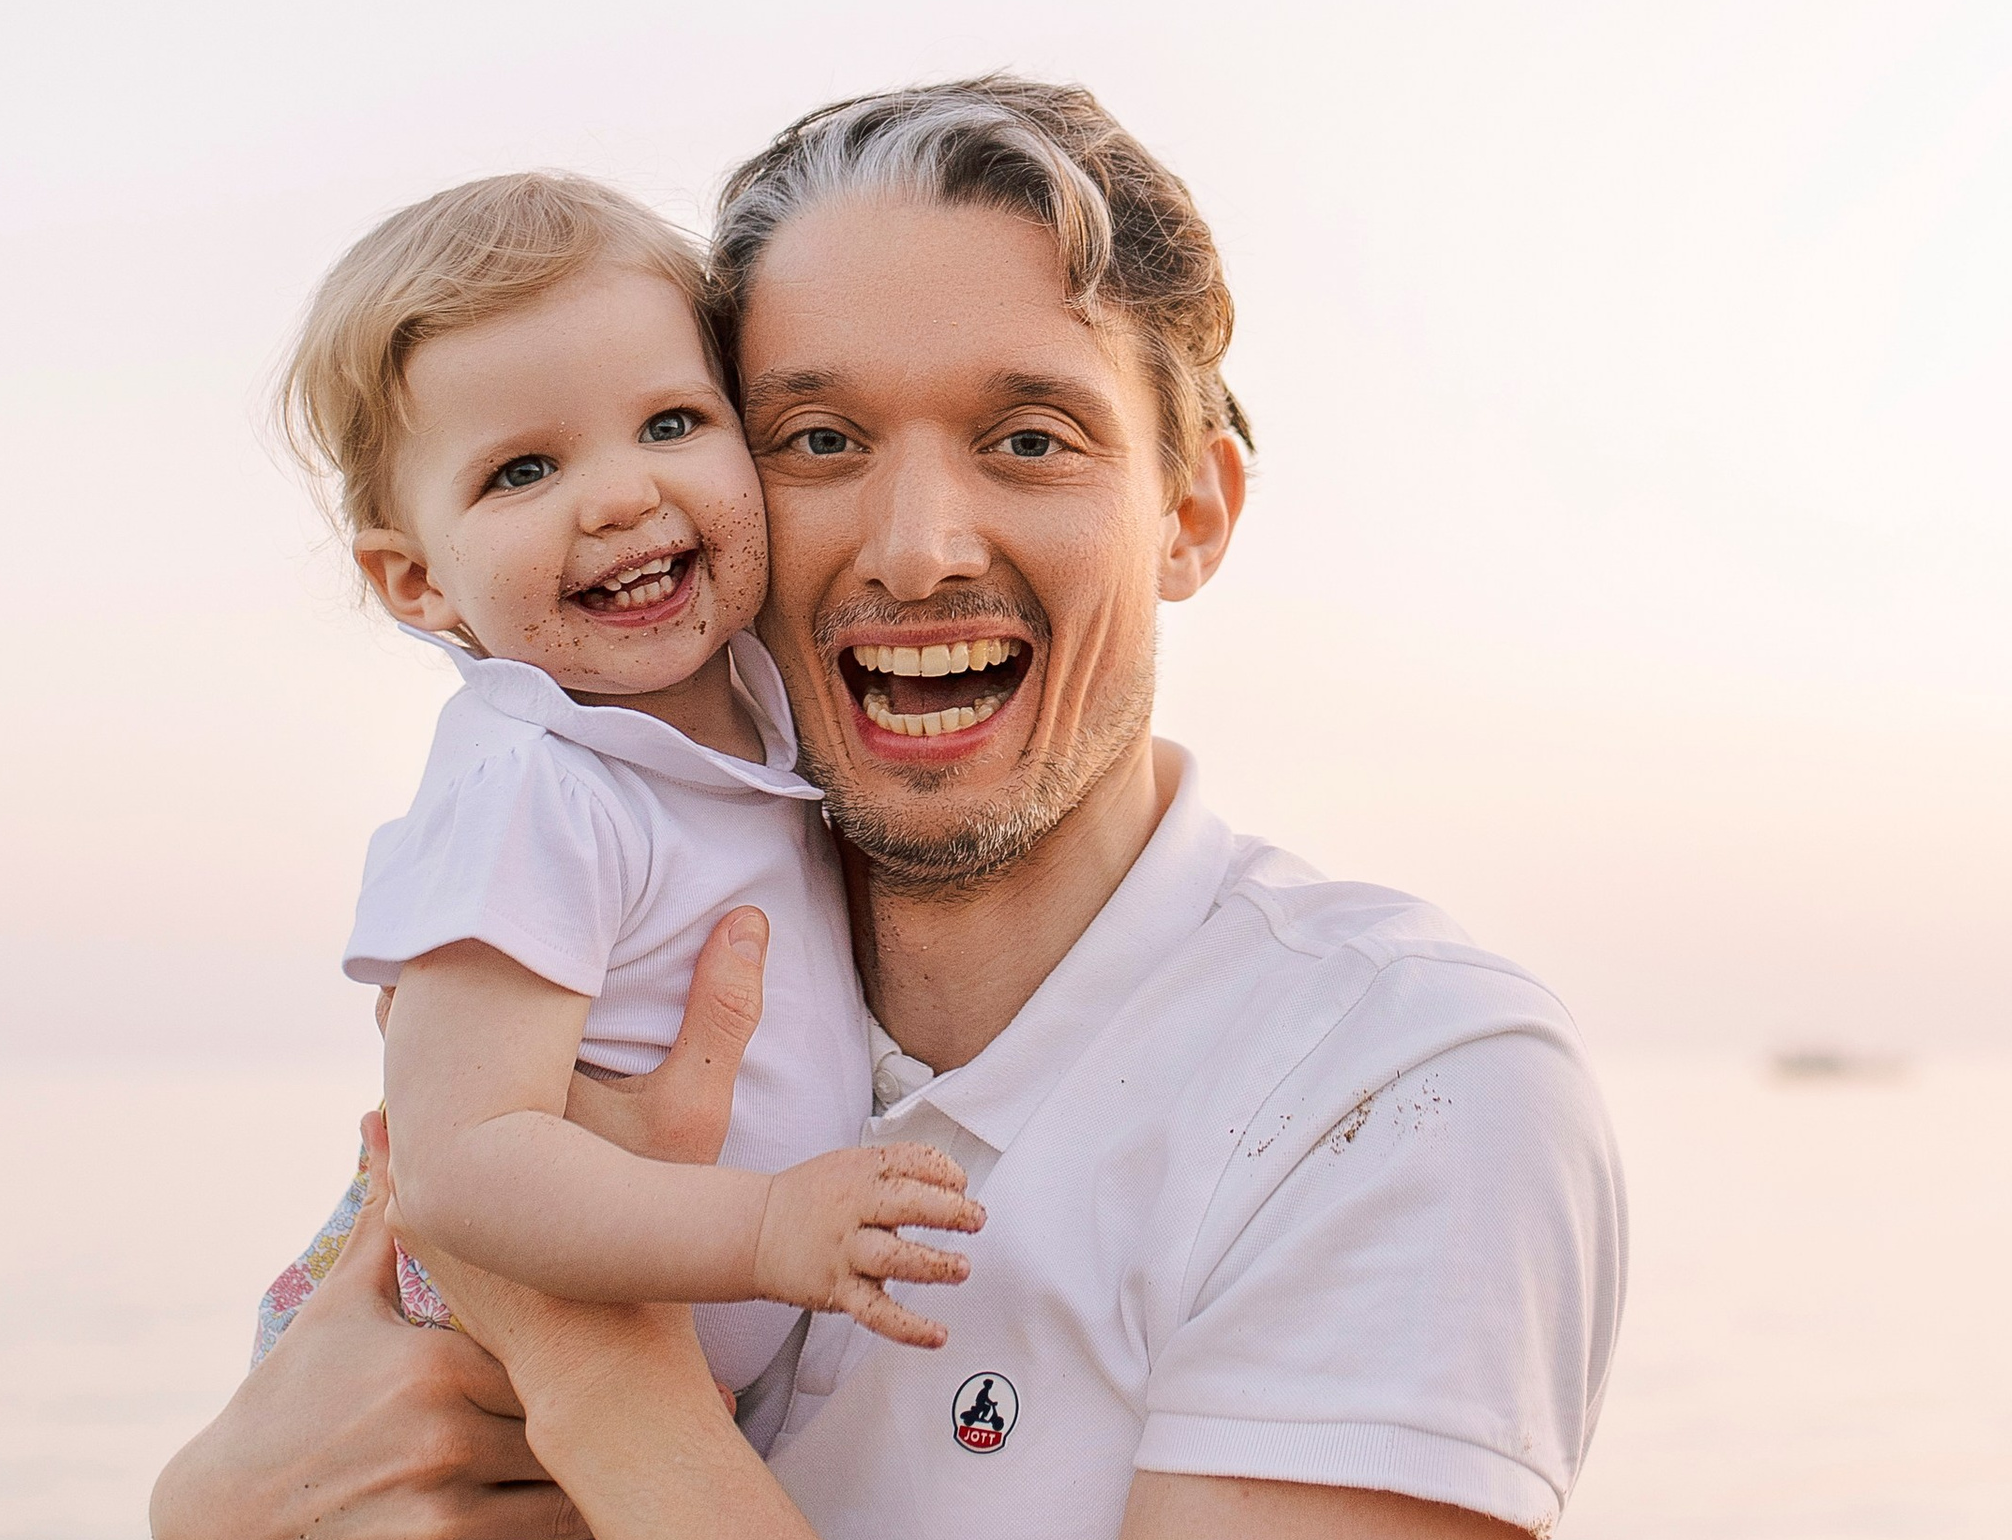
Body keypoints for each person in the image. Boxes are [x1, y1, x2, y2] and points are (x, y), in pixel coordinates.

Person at [154, 79, 1627, 1539]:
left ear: (1192, 514)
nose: (917, 553)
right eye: (818, 441)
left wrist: (589, 1365)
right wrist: (210, 1512)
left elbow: (533, 1303)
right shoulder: (630, 948)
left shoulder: (1395, 1082)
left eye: (1031, 438)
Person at [258, 172, 980, 1394]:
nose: (619, 494)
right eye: (523, 471)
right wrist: (762, 1229)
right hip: (457, 1373)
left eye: (668, 425)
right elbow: (465, 1161)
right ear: (418, 582)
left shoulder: (754, 719)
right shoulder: (536, 785)